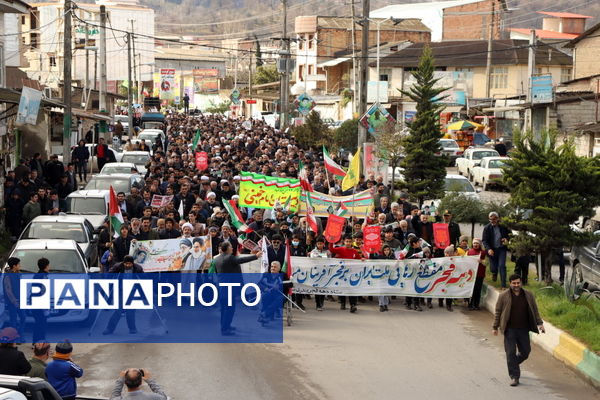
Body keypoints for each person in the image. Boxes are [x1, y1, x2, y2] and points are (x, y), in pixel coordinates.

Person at [493, 274, 545, 387]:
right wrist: (495, 327)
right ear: (510, 283)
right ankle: (514, 377)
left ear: (521, 283)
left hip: (523, 329)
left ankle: (513, 364)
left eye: (518, 283)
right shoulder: (503, 296)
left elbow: (535, 310)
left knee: (526, 352)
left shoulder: (528, 295)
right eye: (514, 283)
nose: (516, 285)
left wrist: (540, 323)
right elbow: (498, 312)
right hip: (509, 329)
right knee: (511, 352)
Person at [213, 241, 262, 335]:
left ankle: (225, 326)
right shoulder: (229, 258)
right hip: (229, 288)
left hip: (221, 287)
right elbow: (241, 260)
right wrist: (256, 256)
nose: (232, 248)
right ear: (227, 248)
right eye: (231, 247)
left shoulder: (217, 259)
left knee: (224, 308)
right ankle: (225, 329)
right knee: (230, 309)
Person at [103, 256, 144, 335]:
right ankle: (109, 329)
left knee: (131, 311)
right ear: (123, 263)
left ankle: (132, 328)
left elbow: (144, 278)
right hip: (121, 290)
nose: (128, 265)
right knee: (119, 310)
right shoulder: (118, 266)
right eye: (126, 263)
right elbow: (109, 274)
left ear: (133, 263)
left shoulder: (138, 268)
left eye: (130, 264)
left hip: (132, 291)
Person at [328, 234, 362, 313]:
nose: (348, 243)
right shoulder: (340, 249)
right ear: (344, 241)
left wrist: (362, 259)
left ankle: (352, 305)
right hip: (342, 273)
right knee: (343, 288)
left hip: (351, 274)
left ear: (352, 242)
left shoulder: (354, 251)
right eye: (347, 241)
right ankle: (343, 303)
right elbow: (331, 249)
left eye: (350, 242)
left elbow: (358, 259)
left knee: (352, 290)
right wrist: (331, 241)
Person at [482, 212, 510, 288]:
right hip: (492, 250)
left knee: (502, 266)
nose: (492, 221)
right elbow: (484, 241)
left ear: (497, 219)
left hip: (501, 249)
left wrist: (506, 239)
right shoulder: (487, 228)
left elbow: (510, 235)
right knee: (493, 268)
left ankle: (503, 285)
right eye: (490, 219)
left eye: (494, 219)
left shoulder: (503, 227)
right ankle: (494, 273)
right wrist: (489, 249)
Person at [3, 257, 26, 336]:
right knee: (13, 320)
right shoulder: (8, 276)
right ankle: (14, 337)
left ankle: (20, 333)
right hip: (12, 302)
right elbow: (8, 290)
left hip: (20, 300)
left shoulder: (18, 274)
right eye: (18, 264)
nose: (20, 265)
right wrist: (14, 302)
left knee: (23, 317)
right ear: (14, 266)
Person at [308, 236, 331, 311]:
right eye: (318, 244)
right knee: (317, 289)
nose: (320, 245)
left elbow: (330, 261)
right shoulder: (313, 252)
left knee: (323, 288)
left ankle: (322, 302)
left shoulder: (327, 252)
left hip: (324, 273)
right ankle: (318, 304)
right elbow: (312, 260)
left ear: (324, 244)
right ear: (316, 244)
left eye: (321, 244)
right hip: (316, 273)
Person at [468, 238, 486, 310]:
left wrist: (481, 261)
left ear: (480, 244)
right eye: (474, 243)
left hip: (480, 274)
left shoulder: (483, 252)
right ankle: (470, 304)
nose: (475, 245)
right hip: (471, 275)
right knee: (472, 290)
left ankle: (476, 304)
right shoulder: (469, 252)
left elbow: (487, 263)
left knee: (478, 290)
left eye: (477, 243)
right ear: (472, 244)